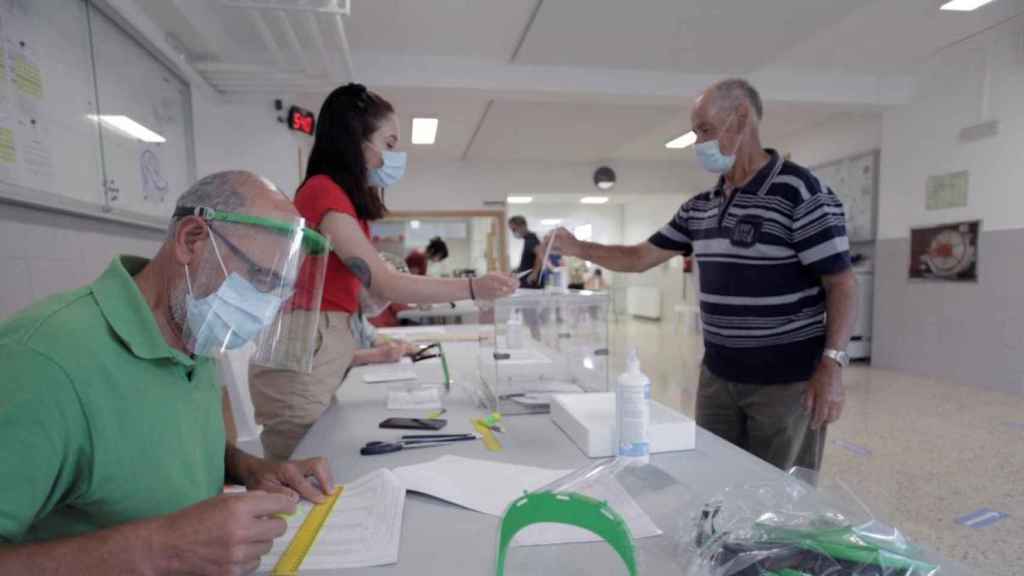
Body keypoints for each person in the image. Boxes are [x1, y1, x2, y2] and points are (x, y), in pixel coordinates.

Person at [0, 171, 336, 574]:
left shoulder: (195, 333)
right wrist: (160, 548)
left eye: (279, 292)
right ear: (192, 240)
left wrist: (249, 468)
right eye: (261, 279)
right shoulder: (41, 362)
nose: (265, 309)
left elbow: (155, 449)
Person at [547, 79, 857, 472]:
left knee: (781, 499)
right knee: (715, 482)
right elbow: (641, 256)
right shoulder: (701, 206)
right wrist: (580, 248)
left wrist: (832, 366)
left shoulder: (800, 191)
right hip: (719, 378)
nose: (699, 143)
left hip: (786, 384)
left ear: (741, 118)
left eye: (705, 129)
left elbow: (842, 282)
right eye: (696, 132)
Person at [249, 83, 517, 460]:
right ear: (357, 140)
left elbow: (367, 293)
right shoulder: (324, 192)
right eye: (388, 144)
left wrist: (377, 291)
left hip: (325, 347)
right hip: (305, 354)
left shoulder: (345, 204)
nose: (393, 157)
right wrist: (473, 287)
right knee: (297, 479)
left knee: (316, 468)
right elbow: (386, 282)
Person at [350, 288, 418, 366]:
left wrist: (399, 345)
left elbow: (374, 338)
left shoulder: (357, 315)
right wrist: (378, 355)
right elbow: (337, 357)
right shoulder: (337, 315)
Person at [508, 215, 541, 287]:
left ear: (522, 226)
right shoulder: (527, 239)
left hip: (529, 279)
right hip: (525, 277)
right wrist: (517, 270)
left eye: (514, 229)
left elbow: (540, 255)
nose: (513, 232)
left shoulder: (531, 239)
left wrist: (534, 273)